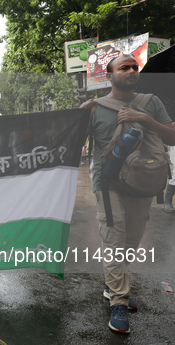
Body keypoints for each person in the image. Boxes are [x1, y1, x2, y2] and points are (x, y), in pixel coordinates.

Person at [80, 54, 175, 334]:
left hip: (143, 181)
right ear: (109, 75)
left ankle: (112, 285)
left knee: (131, 241)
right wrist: (80, 115)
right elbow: (71, 143)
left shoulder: (150, 102)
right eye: (124, 67)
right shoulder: (95, 108)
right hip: (107, 184)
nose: (132, 70)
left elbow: (171, 136)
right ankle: (119, 302)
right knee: (113, 240)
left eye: (135, 67)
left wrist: (143, 118)